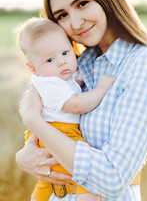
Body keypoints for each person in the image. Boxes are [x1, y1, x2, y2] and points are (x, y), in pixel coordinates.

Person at [16, 0, 147, 200]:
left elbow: (114, 177)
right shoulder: (76, 64)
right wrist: (24, 157)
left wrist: (33, 122)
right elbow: (42, 108)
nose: (75, 23)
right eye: (62, 15)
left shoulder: (145, 64)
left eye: (82, 4)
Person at [16, 17, 115, 201]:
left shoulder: (48, 80)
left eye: (65, 53)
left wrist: (78, 81)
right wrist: (101, 89)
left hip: (44, 136)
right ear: (32, 67)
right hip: (62, 133)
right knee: (89, 176)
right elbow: (76, 104)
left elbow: (68, 89)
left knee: (46, 184)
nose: (61, 62)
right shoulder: (51, 84)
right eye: (50, 59)